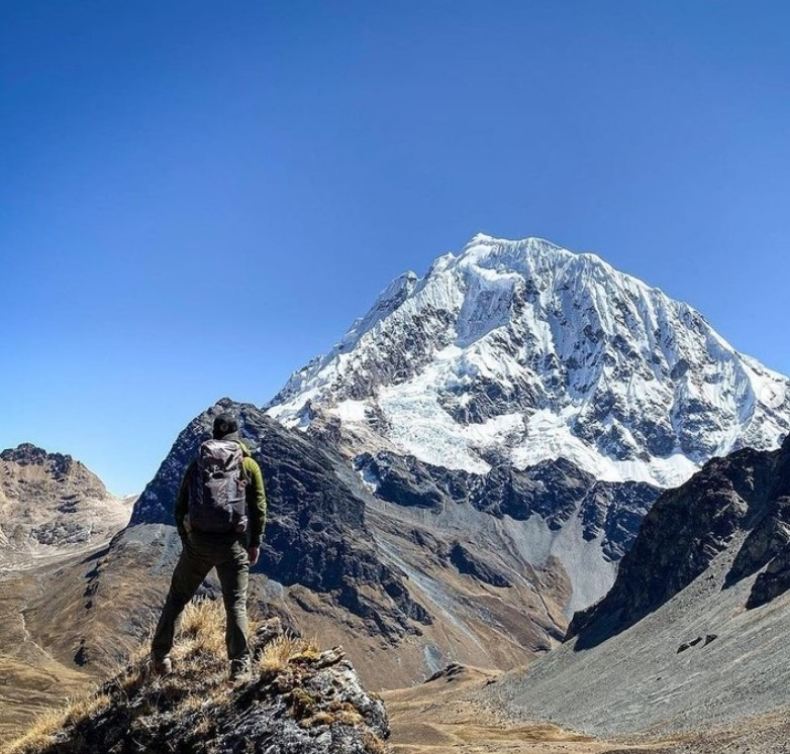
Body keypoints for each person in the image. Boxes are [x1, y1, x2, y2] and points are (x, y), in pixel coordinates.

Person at [151, 412, 267, 679]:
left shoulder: (197, 464)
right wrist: (255, 542)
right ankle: (239, 667)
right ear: (236, 436)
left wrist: (188, 539)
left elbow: (180, 507)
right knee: (235, 604)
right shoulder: (248, 465)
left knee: (178, 598)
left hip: (198, 543)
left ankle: (161, 657)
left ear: (215, 435)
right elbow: (260, 507)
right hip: (233, 545)